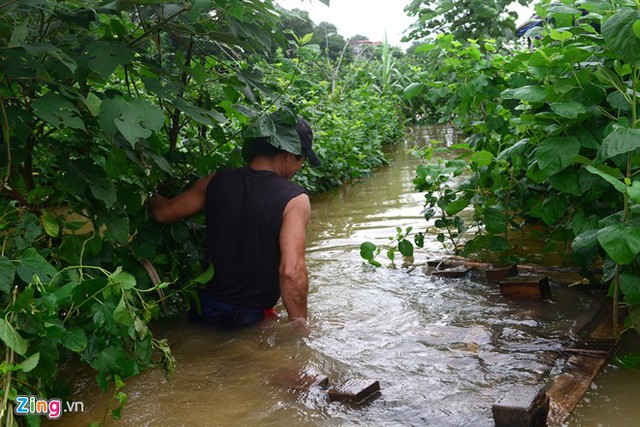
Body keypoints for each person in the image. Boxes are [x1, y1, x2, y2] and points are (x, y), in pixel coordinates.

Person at [149, 114, 321, 328]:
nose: (299, 168)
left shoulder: (213, 182)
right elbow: (291, 271)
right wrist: (300, 329)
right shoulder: (294, 200)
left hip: (204, 309)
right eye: (300, 160)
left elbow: (162, 213)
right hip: (252, 318)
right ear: (288, 154)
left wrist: (147, 188)